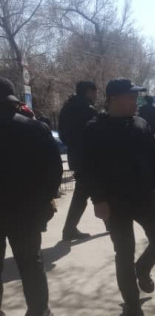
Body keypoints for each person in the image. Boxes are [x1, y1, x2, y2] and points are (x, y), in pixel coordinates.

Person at [83, 79, 155, 316]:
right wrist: (98, 200)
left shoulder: (141, 124)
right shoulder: (95, 129)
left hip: (146, 197)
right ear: (112, 99)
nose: (135, 102)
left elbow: (154, 157)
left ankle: (142, 268)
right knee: (124, 252)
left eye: (135, 97)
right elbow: (87, 168)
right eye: (130, 97)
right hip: (114, 202)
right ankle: (132, 302)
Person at [0, 81, 62, 316]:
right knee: (31, 263)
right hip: (25, 210)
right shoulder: (34, 128)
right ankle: (39, 315)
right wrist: (45, 200)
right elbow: (54, 170)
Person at [58, 80, 99, 241]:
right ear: (88, 91)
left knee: (84, 191)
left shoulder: (66, 108)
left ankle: (70, 229)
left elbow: (62, 135)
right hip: (91, 157)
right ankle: (69, 229)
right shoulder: (88, 110)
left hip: (76, 155)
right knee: (85, 192)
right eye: (95, 92)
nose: (96, 95)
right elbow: (96, 135)